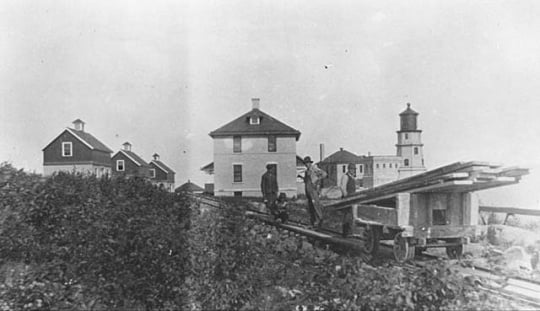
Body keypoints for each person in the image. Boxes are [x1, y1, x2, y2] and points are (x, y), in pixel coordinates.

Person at [299, 156, 327, 228]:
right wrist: (301, 177)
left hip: (313, 190)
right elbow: (306, 180)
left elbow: (324, 174)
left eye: (307, 163)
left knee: (316, 205)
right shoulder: (306, 171)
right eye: (305, 163)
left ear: (310, 163)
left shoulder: (314, 169)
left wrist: (317, 180)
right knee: (311, 206)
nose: (306, 164)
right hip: (308, 190)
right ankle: (313, 221)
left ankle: (319, 220)